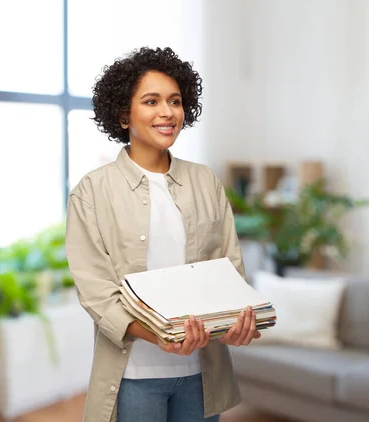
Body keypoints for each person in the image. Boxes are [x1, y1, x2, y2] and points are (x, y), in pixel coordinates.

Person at [65, 47, 261, 422]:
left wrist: (235, 323)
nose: (167, 112)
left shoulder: (206, 181)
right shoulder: (92, 192)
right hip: (134, 378)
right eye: (151, 101)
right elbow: (96, 293)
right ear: (124, 114)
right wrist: (160, 337)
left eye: (175, 101)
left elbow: (230, 270)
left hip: (200, 377)